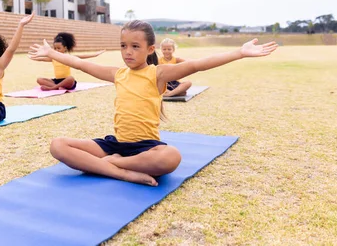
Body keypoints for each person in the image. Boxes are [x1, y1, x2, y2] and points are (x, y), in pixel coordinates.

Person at [28, 20, 277, 186]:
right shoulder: (118, 73)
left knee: (171, 157)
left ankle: (113, 163)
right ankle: (118, 170)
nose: (128, 52)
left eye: (135, 46)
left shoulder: (157, 74)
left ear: (149, 49)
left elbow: (197, 65)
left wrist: (239, 52)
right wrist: (52, 53)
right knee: (58, 145)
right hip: (114, 144)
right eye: (124, 46)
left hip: (145, 148)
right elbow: (82, 64)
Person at [30, 32, 104, 91]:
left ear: (65, 48)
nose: (56, 50)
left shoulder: (68, 57)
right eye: (55, 48)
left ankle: (53, 88)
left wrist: (95, 54)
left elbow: (82, 56)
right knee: (39, 79)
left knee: (71, 78)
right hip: (57, 81)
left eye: (59, 48)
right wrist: (33, 56)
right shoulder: (53, 58)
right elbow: (42, 59)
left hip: (67, 82)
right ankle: (57, 86)